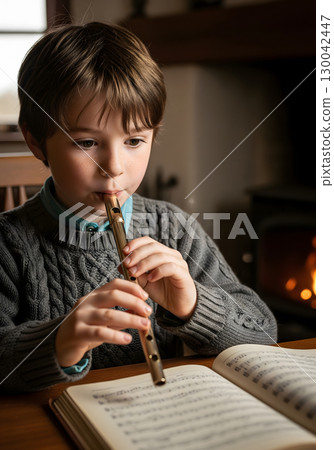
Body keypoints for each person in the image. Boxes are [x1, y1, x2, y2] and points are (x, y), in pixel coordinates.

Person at [0, 22, 277, 393]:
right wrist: (59, 341)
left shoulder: (174, 227)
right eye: (85, 142)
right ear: (37, 143)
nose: (113, 166)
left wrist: (193, 303)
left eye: (134, 140)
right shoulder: (8, 243)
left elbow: (265, 333)